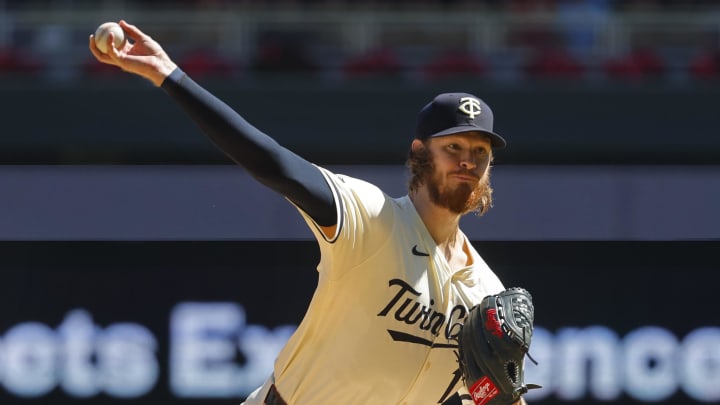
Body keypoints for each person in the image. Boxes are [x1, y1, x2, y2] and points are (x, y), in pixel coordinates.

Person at [89, 20, 527, 405]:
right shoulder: (372, 219)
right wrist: (170, 75)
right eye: (453, 147)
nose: (468, 161)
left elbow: (489, 399)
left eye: (480, 151)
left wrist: (504, 395)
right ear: (419, 152)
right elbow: (274, 163)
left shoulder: (485, 292)